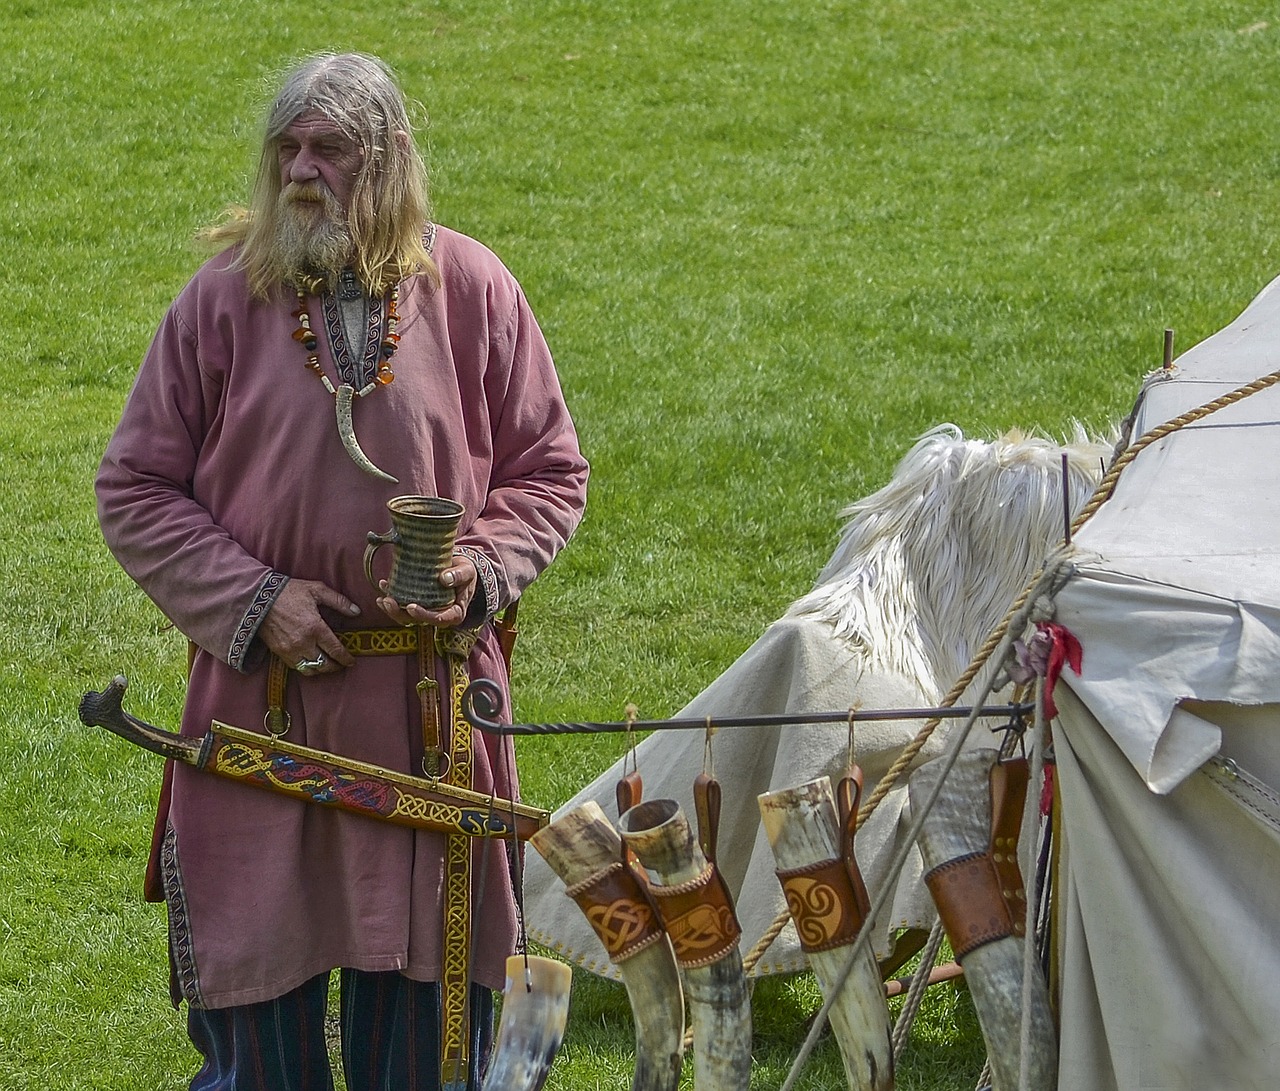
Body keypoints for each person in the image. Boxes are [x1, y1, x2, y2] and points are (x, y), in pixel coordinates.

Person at [96, 51, 588, 1091]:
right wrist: (254, 600)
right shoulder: (221, 303)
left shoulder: (473, 288)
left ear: (391, 160)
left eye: (330, 148)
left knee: (428, 1035)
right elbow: (134, 485)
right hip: (264, 704)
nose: (301, 171)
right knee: (259, 1028)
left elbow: (549, 469)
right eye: (288, 148)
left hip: (432, 708)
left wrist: (481, 571)